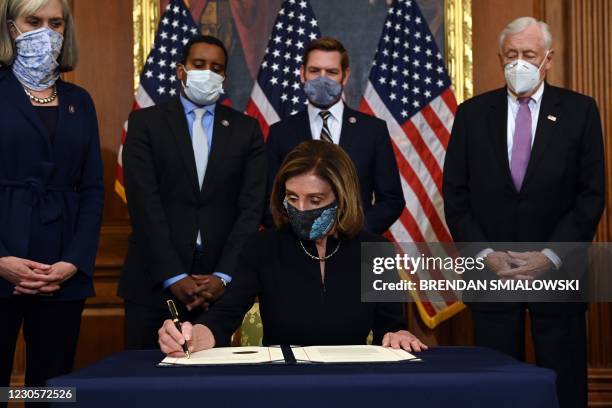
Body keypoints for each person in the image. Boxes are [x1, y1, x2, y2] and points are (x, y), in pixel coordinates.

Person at [443, 17, 604, 408]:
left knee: (563, 382)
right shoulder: (471, 114)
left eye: (529, 55)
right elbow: (456, 195)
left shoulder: (580, 111)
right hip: (492, 269)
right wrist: (485, 254)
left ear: (548, 59)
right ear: (500, 57)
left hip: (559, 270)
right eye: (512, 54)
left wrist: (548, 256)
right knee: (495, 385)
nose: (520, 62)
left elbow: (591, 195)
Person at [158, 140, 427, 354]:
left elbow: (391, 328)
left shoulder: (377, 249)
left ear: (341, 199)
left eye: (315, 200)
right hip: (281, 382)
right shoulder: (262, 246)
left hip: (353, 381)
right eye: (293, 198)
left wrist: (399, 335)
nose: (300, 209)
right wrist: (193, 337)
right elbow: (225, 315)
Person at [119, 35, 266, 349]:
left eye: (217, 68)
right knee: (149, 387)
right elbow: (145, 204)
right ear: (180, 71)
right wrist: (174, 276)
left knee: (214, 392)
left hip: (221, 287)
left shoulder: (246, 129)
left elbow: (251, 208)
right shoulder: (145, 123)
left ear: (225, 77)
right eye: (199, 65)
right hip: (153, 282)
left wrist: (223, 275)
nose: (207, 73)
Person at [0, 0, 104, 392]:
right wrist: (1, 259)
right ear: (12, 28)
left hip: (62, 271)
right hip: (3, 260)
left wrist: (73, 261)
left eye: (55, 23)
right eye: (34, 21)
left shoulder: (81, 100)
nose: (46, 31)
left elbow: (93, 190)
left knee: (52, 390)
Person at [265, 37, 405, 234]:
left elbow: (391, 200)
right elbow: (268, 199)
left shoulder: (373, 130)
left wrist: (350, 231)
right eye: (314, 71)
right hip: (296, 250)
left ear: (345, 76)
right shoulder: (281, 132)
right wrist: (300, 232)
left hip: (355, 248)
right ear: (302, 74)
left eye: (331, 72)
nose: (323, 79)